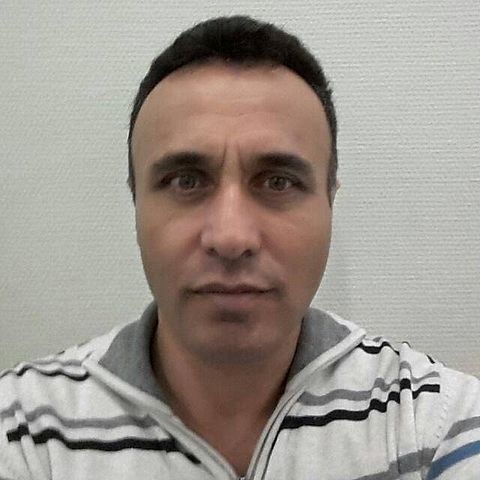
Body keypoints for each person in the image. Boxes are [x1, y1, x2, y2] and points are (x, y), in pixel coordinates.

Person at [1, 15, 479, 480]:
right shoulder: (22, 431)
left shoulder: (436, 422)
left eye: (278, 181)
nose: (231, 238)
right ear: (136, 203)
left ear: (330, 203)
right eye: (186, 181)